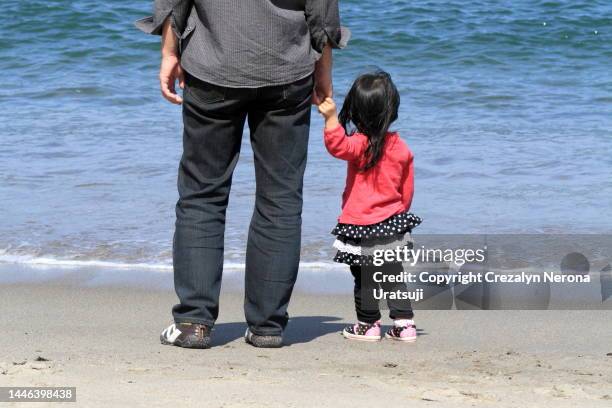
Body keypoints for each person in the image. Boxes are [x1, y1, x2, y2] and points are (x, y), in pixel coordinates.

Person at [135, 0, 350, 348]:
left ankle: (194, 321)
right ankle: (267, 325)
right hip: (286, 69)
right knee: (280, 197)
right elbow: (321, 8)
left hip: (212, 63)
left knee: (202, 194)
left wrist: (169, 50)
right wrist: (325, 68)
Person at [317, 71, 422, 342]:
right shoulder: (400, 147)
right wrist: (400, 214)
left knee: (365, 278)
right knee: (393, 274)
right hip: (392, 221)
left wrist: (330, 118)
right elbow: (406, 190)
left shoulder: (360, 145)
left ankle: (368, 324)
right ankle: (405, 325)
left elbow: (337, 146)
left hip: (360, 224)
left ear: (355, 111)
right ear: (392, 110)